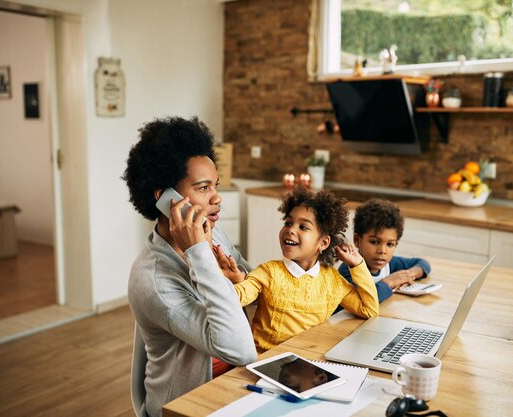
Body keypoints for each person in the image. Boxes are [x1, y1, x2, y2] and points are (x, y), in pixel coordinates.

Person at [122, 116, 256, 417]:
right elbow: (238, 349)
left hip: (235, 385)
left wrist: (241, 278)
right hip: (186, 407)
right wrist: (199, 253)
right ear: (165, 198)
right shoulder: (153, 279)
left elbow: (264, 287)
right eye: (203, 187)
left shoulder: (213, 233)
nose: (217, 198)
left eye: (215, 186)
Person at [227, 186, 379, 353]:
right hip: (265, 362)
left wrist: (357, 264)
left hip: (309, 363)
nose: (290, 229)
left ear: (323, 243)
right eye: (288, 223)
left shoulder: (333, 281)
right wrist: (225, 279)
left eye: (303, 227)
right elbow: (235, 298)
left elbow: (369, 310)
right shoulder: (268, 272)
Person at [338, 198, 431, 304]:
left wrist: (406, 276)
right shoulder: (349, 270)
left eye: (390, 244)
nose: (382, 251)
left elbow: (424, 264)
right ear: (357, 240)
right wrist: (390, 282)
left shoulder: (389, 264)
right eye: (374, 242)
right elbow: (364, 301)